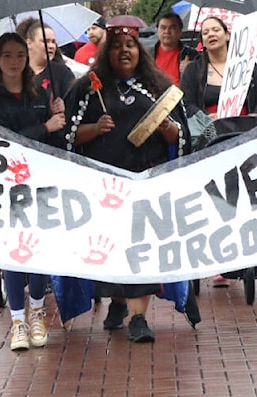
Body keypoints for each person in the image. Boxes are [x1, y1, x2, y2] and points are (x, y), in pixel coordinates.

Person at [63, 23, 194, 341]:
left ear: (141, 52)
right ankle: (117, 302)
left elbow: (184, 137)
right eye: (118, 45)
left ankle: (138, 318)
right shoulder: (86, 90)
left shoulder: (159, 88)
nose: (125, 51)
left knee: (141, 250)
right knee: (113, 249)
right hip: (103, 187)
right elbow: (65, 136)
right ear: (107, 52)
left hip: (145, 183)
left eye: (131, 45)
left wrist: (167, 130)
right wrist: (95, 129)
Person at [0, 33, 65, 350]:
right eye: (8, 56)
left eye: (20, 55)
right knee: (12, 253)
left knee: (36, 252)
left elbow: (53, 141)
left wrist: (56, 116)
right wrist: (45, 127)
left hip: (39, 182)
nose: (14, 62)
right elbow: (6, 141)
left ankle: (37, 313)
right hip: (6, 185)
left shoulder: (40, 91)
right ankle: (18, 322)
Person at [180, 16, 257, 120]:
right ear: (202, 41)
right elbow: (187, 103)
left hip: (247, 128)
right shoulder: (192, 69)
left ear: (227, 35)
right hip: (209, 130)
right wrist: (205, 117)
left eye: (216, 30)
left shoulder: (247, 64)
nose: (211, 34)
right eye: (205, 33)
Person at [23, 19, 76, 101]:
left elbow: (73, 102)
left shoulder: (62, 72)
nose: (51, 46)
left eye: (53, 42)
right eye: (45, 41)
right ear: (29, 43)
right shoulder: (18, 72)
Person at [152, 12, 197, 85]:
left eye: (172, 28)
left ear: (180, 31)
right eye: (163, 28)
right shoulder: (147, 54)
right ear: (157, 31)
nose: (167, 31)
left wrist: (193, 70)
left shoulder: (193, 56)